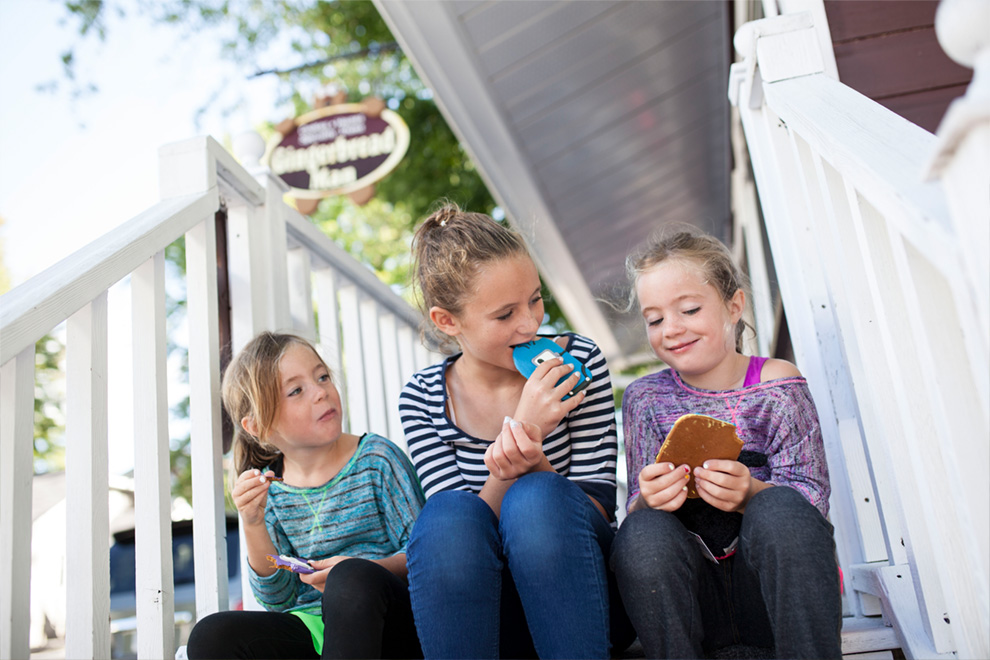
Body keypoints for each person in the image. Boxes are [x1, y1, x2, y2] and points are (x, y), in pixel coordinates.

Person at [398, 204, 633, 659]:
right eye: (505, 314)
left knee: (537, 498)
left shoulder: (578, 363)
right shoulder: (424, 398)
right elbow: (464, 531)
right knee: (446, 515)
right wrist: (524, 430)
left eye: (535, 299)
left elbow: (599, 509)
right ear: (448, 321)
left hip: (586, 597)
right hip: (489, 614)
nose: (531, 324)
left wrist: (534, 459)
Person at [610, 229, 842, 659]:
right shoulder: (644, 399)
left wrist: (749, 494)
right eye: (655, 319)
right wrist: (648, 501)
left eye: (690, 309)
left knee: (781, 508)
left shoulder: (778, 384)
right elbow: (638, 506)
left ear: (734, 306)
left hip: (772, 597)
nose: (672, 329)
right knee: (641, 530)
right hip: (695, 599)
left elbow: (812, 500)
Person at [186, 332, 424, 660]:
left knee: (350, 580)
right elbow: (278, 598)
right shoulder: (273, 491)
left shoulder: (377, 459)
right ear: (258, 426)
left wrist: (360, 568)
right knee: (211, 636)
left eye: (322, 376)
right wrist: (253, 523)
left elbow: (423, 554)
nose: (320, 392)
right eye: (296, 390)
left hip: (392, 622)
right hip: (317, 630)